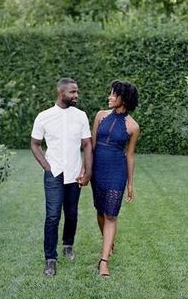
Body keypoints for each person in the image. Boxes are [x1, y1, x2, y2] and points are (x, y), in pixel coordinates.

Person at [31, 77, 93, 276]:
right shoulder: (44, 116)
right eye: (72, 92)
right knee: (52, 216)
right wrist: (47, 166)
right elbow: (34, 144)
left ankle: (68, 244)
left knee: (72, 213)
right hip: (54, 174)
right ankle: (50, 259)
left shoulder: (81, 116)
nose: (76, 95)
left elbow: (87, 145)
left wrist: (87, 172)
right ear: (60, 93)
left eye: (77, 92)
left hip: (75, 173)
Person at [91, 79, 139, 277]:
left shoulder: (133, 126)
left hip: (116, 172)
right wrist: (86, 171)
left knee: (111, 214)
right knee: (101, 212)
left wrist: (130, 184)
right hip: (98, 170)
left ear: (124, 99)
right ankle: (108, 242)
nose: (109, 97)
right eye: (110, 93)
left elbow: (130, 155)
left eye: (113, 94)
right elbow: (91, 146)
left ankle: (103, 262)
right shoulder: (100, 116)